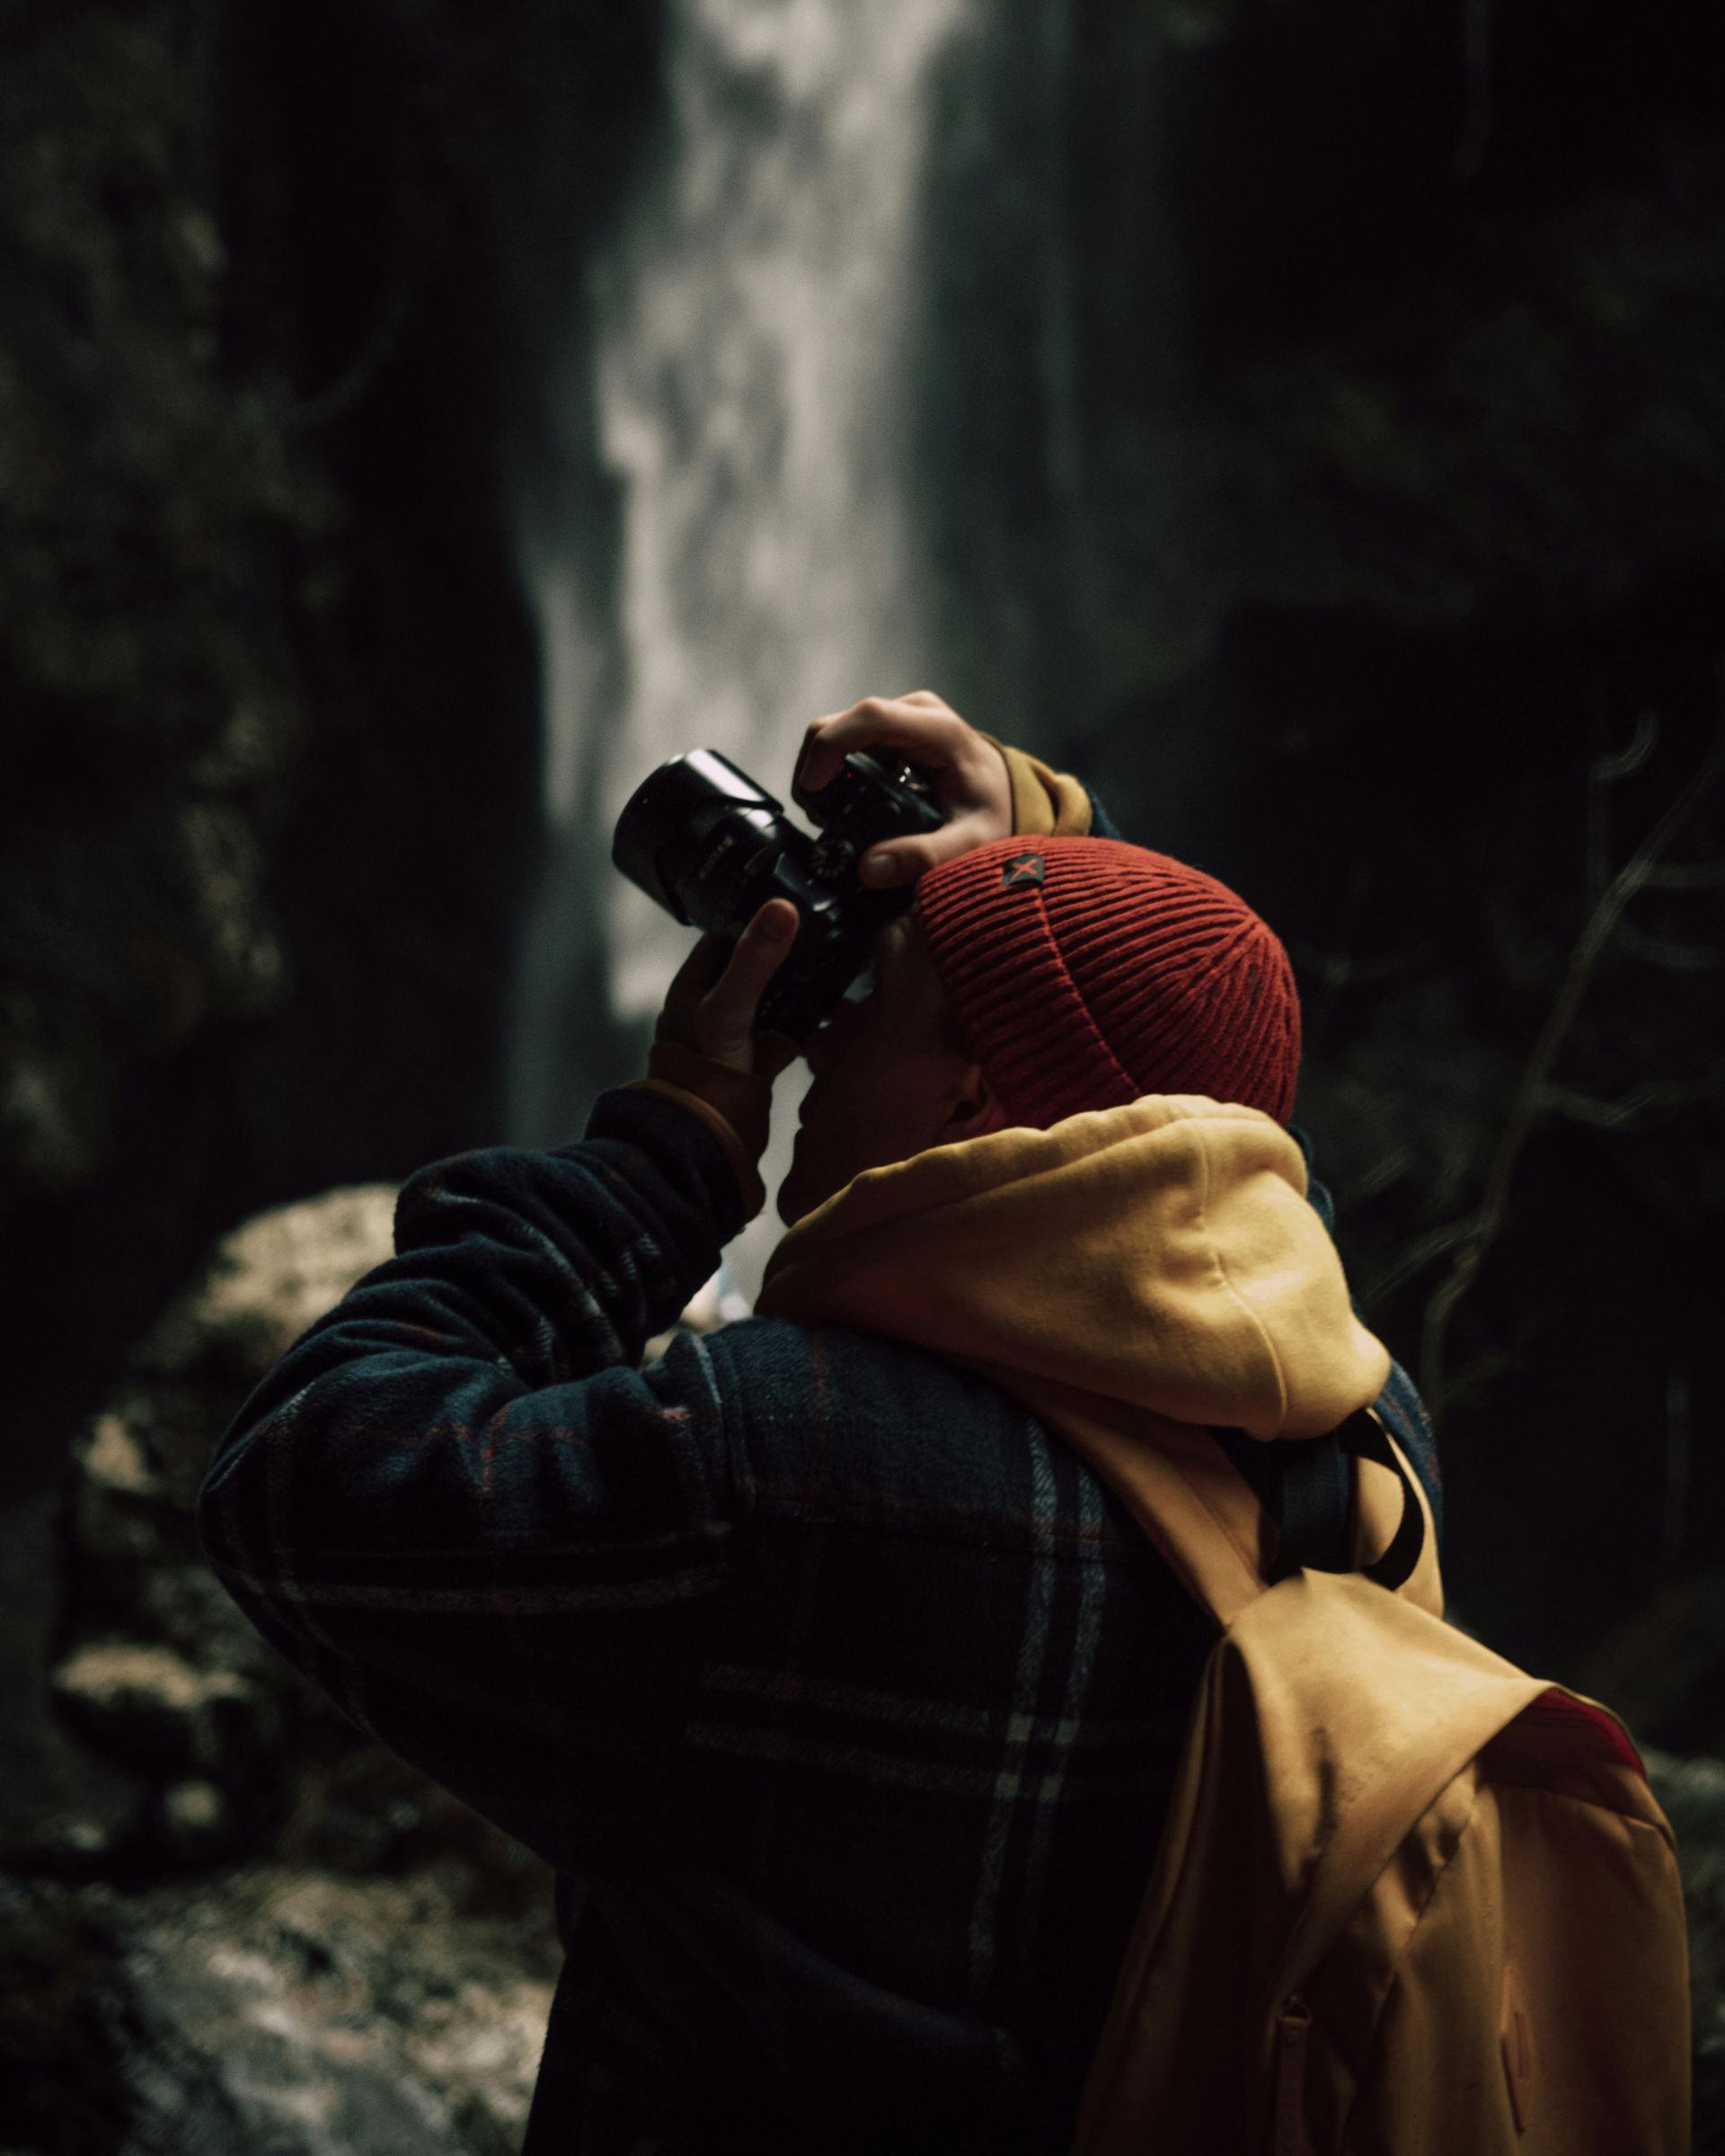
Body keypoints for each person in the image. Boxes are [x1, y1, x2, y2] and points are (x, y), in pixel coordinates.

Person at [199, 693, 1439, 2155]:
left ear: (975, 1092)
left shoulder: (779, 1463)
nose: (822, 1047)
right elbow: (1214, 1170)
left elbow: (308, 1476)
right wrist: (1053, 864)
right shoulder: (1359, 1442)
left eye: (872, 1005)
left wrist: (674, 1151)